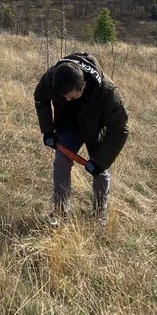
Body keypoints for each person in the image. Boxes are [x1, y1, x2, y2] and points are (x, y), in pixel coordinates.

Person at [34, 51, 128, 226]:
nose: (68, 100)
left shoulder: (108, 93)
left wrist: (100, 162)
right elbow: (40, 98)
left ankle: (99, 213)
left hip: (95, 127)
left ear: (84, 85)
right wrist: (47, 130)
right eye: (64, 97)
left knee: (100, 170)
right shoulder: (53, 77)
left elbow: (120, 130)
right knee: (61, 160)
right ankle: (60, 211)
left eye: (72, 96)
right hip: (69, 124)